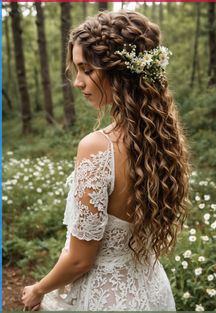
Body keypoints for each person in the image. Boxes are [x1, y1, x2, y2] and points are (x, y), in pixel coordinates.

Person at [22, 10, 190, 311]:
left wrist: (38, 289)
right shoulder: (163, 139)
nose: (77, 82)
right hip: (153, 293)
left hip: (106, 299)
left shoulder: (97, 146)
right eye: (76, 69)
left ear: (120, 72)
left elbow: (79, 259)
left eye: (87, 69)